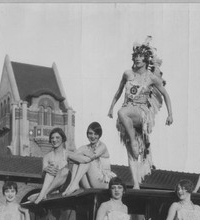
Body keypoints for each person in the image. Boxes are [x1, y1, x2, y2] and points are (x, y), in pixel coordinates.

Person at [108, 36, 173, 189]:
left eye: (140, 57)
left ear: (146, 60)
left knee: (122, 113)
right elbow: (118, 92)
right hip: (126, 115)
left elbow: (165, 94)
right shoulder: (127, 74)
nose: (137, 59)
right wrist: (110, 107)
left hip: (141, 113)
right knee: (131, 151)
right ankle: (136, 183)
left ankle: (133, 141)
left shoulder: (151, 77)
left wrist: (170, 114)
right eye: (135, 57)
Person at [33, 127, 92, 203]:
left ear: (62, 139)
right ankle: (43, 194)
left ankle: (44, 193)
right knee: (50, 169)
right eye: (52, 138)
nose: (54, 140)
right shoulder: (47, 157)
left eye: (57, 137)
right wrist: (45, 170)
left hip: (64, 185)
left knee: (64, 170)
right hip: (52, 183)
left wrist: (71, 156)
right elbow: (43, 176)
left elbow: (85, 160)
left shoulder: (67, 154)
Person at [62, 122, 116, 196]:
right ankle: (72, 185)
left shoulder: (102, 146)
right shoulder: (85, 147)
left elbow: (89, 158)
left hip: (104, 182)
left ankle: (74, 184)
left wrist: (69, 155)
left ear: (99, 135)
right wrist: (68, 155)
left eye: (95, 134)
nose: (93, 136)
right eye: (90, 133)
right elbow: (74, 155)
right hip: (89, 184)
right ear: (87, 134)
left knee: (87, 160)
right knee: (77, 161)